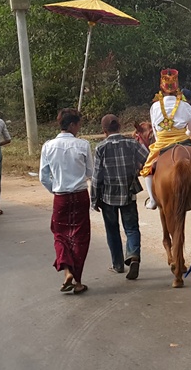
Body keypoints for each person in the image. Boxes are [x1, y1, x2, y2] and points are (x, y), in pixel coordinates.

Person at [40, 109, 94, 295]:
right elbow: (90, 172)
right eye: (78, 124)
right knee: (80, 237)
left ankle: (67, 272)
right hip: (79, 195)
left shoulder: (48, 146)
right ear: (72, 125)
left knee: (60, 234)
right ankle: (77, 281)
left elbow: (43, 176)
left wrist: (55, 188)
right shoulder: (82, 145)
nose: (79, 127)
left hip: (60, 197)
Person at [92, 114, 148, 280]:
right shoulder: (131, 144)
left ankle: (117, 265)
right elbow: (148, 159)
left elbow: (96, 176)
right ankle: (134, 256)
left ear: (104, 131)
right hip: (128, 193)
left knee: (112, 229)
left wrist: (94, 199)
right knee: (131, 228)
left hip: (108, 196)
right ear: (120, 126)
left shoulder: (101, 148)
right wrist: (136, 171)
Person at [140, 69, 191, 210]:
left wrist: (163, 139)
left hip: (162, 142)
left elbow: (155, 131)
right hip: (183, 139)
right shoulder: (186, 105)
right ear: (177, 87)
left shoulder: (154, 107)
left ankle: (153, 200)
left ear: (162, 87)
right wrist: (187, 135)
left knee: (147, 169)